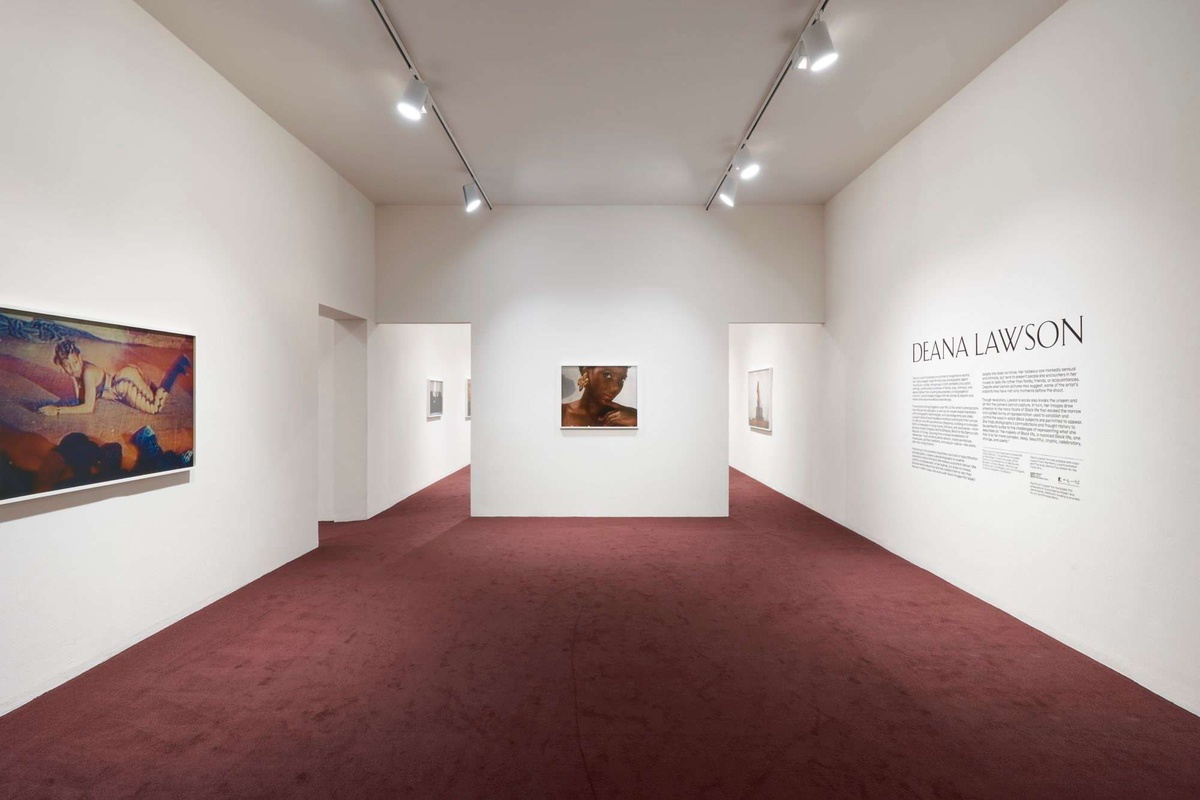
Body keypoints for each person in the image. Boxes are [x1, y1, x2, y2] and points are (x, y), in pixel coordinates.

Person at [38, 340, 190, 417]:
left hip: (124, 384)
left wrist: (58, 410)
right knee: (151, 397)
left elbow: (88, 407)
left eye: (75, 362)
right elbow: (80, 400)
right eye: (67, 365)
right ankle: (153, 387)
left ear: (80, 357)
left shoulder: (87, 373)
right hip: (124, 380)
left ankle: (176, 368)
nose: (73, 368)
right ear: (61, 365)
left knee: (155, 408)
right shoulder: (74, 374)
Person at [561, 366, 637, 427]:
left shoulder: (630, 418)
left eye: (622, 380)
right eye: (607, 375)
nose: (616, 387)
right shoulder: (561, 413)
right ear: (586, 371)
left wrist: (639, 420)